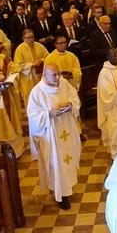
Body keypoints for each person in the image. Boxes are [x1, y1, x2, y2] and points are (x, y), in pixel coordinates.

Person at [27, 62, 82, 210]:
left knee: (68, 159)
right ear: (44, 74)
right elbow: (32, 115)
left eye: (59, 74)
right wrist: (48, 114)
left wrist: (70, 104)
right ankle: (60, 195)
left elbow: (74, 97)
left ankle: (67, 187)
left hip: (66, 127)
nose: (58, 77)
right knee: (56, 163)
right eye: (54, 75)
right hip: (51, 133)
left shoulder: (63, 83)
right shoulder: (37, 92)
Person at [13, 29, 49, 105]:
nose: (30, 39)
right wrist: (32, 64)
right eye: (28, 38)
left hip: (41, 75)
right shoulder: (20, 49)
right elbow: (17, 65)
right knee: (30, 97)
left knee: (43, 96)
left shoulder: (39, 46)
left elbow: (48, 57)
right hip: (28, 78)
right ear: (23, 38)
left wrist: (41, 60)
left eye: (32, 37)